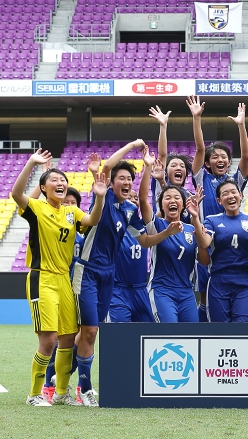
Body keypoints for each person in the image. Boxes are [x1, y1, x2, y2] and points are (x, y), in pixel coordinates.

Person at [72, 140, 175, 406]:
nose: (127, 182)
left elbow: (143, 240)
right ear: (111, 182)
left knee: (88, 332)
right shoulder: (103, 197)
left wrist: (166, 233)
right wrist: (132, 144)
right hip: (88, 272)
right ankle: (85, 388)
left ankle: (63, 370)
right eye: (121, 178)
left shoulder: (129, 210)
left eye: (130, 178)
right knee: (91, 331)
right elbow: (106, 166)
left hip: (110, 276)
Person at [12, 149, 107, 406]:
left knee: (68, 337)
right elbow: (15, 194)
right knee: (49, 339)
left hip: (64, 279)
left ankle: (62, 392)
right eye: (54, 180)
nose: (61, 183)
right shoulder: (36, 207)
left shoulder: (70, 212)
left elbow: (92, 219)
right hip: (41, 278)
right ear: (43, 187)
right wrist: (32, 162)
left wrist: (99, 198)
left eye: (63, 180)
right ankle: (34, 394)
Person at [188, 96, 248, 320]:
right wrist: (197, 119)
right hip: (207, 241)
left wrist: (242, 126)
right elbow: (199, 149)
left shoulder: (233, 185)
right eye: (215, 157)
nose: (220, 159)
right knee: (206, 299)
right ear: (207, 164)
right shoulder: (201, 180)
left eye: (224, 156)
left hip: (229, 245)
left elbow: (244, 156)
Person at [188, 179, 248, 322]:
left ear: (240, 195)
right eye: (225, 194)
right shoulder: (211, 220)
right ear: (219, 201)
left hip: (244, 280)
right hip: (218, 280)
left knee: (243, 326)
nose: (231, 196)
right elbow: (204, 243)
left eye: (233, 192)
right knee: (220, 330)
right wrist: (195, 218)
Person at [140, 150, 198, 323]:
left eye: (176, 198)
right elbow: (143, 200)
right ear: (161, 206)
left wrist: (196, 217)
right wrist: (148, 168)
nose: (172, 201)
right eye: (167, 198)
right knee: (169, 335)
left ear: (183, 205)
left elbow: (203, 256)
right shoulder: (156, 225)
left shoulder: (191, 229)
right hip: (161, 290)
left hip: (187, 291)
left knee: (191, 338)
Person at [107, 187, 154, 323]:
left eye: (135, 198)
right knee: (120, 333)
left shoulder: (143, 227)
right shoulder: (112, 225)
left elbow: (148, 201)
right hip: (117, 289)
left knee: (147, 335)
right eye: (129, 197)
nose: (133, 200)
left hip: (140, 288)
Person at [148, 105, 193, 223]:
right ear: (165, 173)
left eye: (182, 166)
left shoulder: (190, 195)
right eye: (173, 165)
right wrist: (163, 126)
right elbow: (162, 155)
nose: (179, 167)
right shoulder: (159, 182)